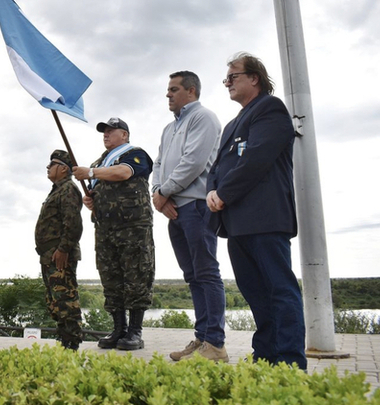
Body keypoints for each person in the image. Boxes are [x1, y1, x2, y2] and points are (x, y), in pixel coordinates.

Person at [206, 52, 307, 369]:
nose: (228, 83)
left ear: (255, 78)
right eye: (226, 79)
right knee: (255, 294)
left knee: (280, 290)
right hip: (236, 223)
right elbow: (219, 165)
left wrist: (224, 192)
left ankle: (290, 361)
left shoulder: (271, 109)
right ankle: (265, 356)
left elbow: (257, 158)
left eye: (233, 76)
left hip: (265, 218)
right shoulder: (232, 124)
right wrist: (211, 189)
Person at [151, 71, 228, 362]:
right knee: (192, 275)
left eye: (174, 89)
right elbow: (159, 163)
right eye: (167, 89)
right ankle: (202, 338)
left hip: (196, 206)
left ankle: (216, 344)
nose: (168, 95)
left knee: (207, 273)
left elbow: (193, 162)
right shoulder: (169, 129)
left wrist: (165, 192)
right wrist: (159, 194)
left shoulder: (204, 118)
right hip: (174, 208)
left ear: (191, 91)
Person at [72, 117, 155, 351]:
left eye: (111, 131)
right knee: (111, 277)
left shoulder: (135, 154)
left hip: (133, 227)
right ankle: (119, 328)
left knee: (137, 274)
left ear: (125, 135)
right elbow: (99, 189)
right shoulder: (101, 161)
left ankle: (135, 332)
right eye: (104, 132)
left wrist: (90, 172)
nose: (106, 135)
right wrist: (92, 199)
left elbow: (123, 173)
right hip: (105, 229)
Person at [35, 149, 84, 350]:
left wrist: (63, 249)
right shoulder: (58, 190)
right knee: (56, 302)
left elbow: (73, 223)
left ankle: (71, 344)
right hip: (50, 255)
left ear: (63, 168)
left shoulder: (68, 189)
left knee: (66, 300)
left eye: (52, 164)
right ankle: (64, 340)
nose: (48, 167)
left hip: (59, 255)